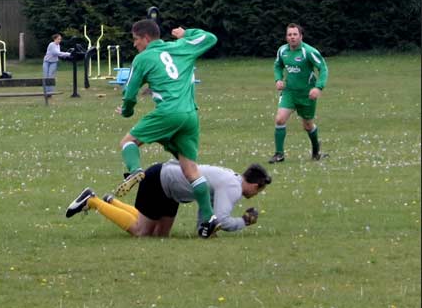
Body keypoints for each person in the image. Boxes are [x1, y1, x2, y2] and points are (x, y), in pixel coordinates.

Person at [115, 20, 221, 238]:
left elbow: (130, 92)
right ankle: (209, 217)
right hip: (190, 116)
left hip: (168, 112)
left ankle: (135, 171)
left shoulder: (142, 58)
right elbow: (211, 38)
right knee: (190, 170)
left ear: (146, 38)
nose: (134, 44)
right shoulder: (181, 46)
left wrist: (126, 111)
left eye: (135, 39)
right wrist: (186, 34)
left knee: (128, 142)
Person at [65, 161, 271, 237]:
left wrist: (205, 229)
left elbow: (207, 209)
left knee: (160, 235)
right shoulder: (233, 187)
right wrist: (243, 222)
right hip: (158, 180)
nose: (256, 194)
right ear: (256, 186)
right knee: (142, 232)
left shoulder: (231, 179)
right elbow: (223, 220)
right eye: (259, 191)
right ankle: (92, 201)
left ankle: (113, 202)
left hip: (172, 191)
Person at [270, 23, 329, 163]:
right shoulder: (282, 51)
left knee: (308, 125)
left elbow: (323, 68)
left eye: (295, 34)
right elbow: (278, 66)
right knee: (280, 119)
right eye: (289, 34)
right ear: (286, 37)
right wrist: (278, 79)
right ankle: (279, 154)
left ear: (301, 36)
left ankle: (316, 152)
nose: (292, 37)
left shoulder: (308, 52)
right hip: (289, 92)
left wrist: (318, 87)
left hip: (307, 94)